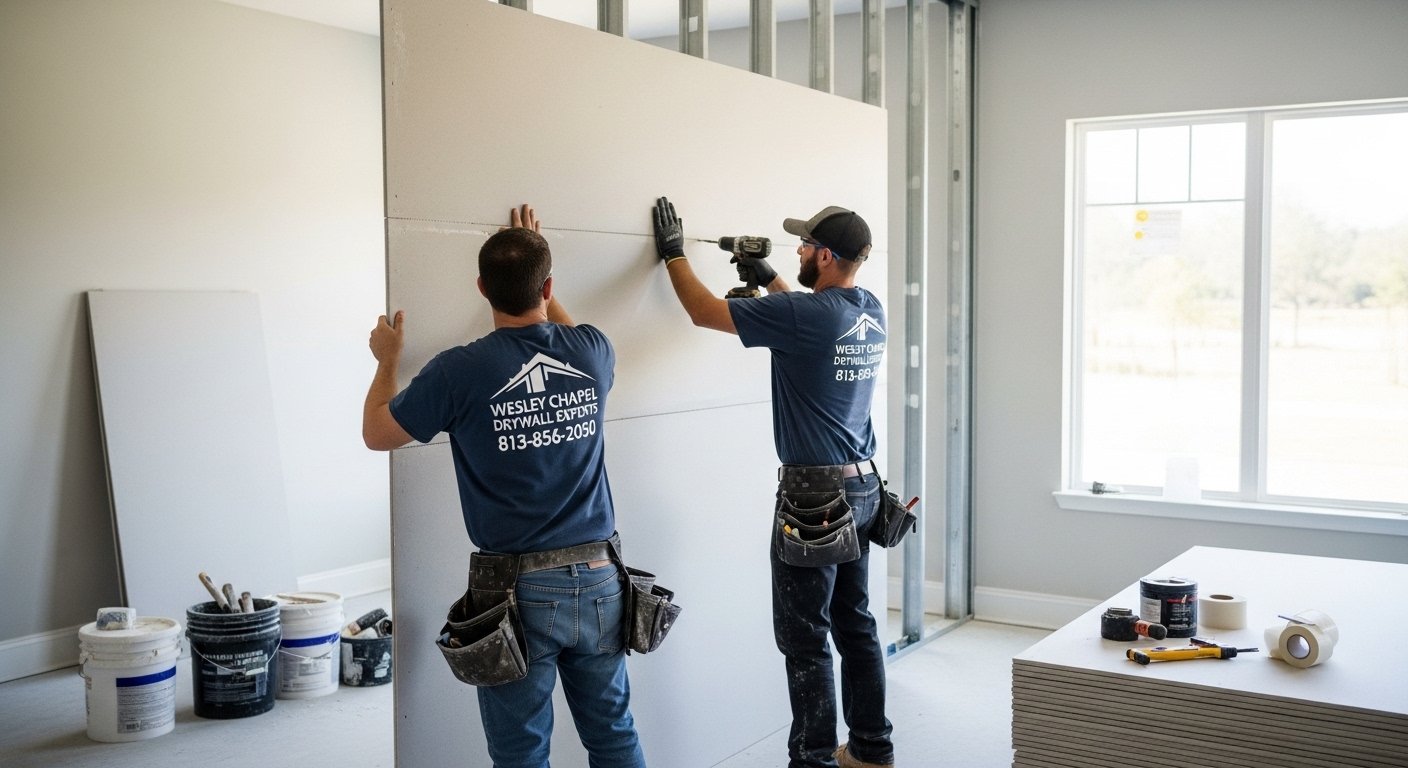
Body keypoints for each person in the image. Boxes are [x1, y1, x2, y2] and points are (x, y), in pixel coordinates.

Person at [363, 204, 647, 768]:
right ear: (548, 285)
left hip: (514, 590)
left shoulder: (457, 371)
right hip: (599, 579)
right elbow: (561, 330)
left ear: (480, 288)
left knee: (521, 756)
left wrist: (387, 360)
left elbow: (377, 433)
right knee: (613, 737)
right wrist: (537, 275)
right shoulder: (592, 352)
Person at [651, 196, 894, 768]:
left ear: (828, 256)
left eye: (806, 245)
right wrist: (766, 275)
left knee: (806, 639)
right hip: (862, 490)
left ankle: (810, 761)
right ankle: (871, 749)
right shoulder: (867, 308)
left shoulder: (806, 316)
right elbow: (808, 313)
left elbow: (704, 312)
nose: (800, 251)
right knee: (854, 624)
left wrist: (673, 255)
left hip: (813, 499)